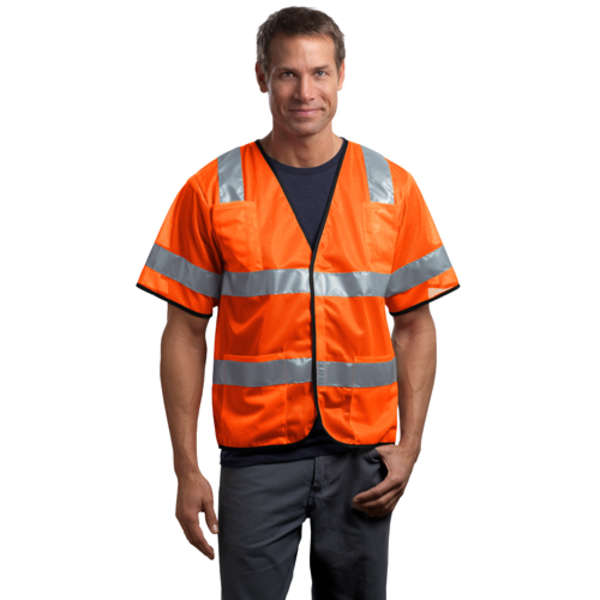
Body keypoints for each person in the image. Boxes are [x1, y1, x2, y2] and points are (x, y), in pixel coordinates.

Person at [136, 6, 460, 599]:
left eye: (319, 73)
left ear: (342, 75)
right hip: (256, 457)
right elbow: (182, 332)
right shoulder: (212, 190)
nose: (305, 92)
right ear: (262, 76)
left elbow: (416, 325)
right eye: (287, 74)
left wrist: (410, 446)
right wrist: (186, 466)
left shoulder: (392, 188)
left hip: (363, 458)